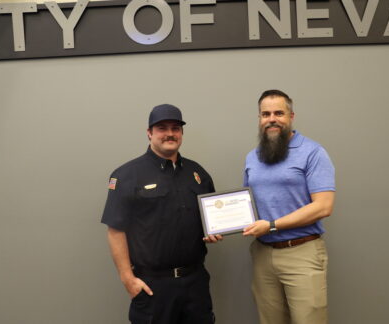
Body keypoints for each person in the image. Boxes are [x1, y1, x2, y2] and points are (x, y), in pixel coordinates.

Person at [101, 104, 221, 324]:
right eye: (162, 128)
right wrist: (128, 279)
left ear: (182, 133)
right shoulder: (126, 175)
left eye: (176, 128)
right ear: (149, 133)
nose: (169, 134)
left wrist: (213, 231)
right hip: (153, 286)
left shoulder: (197, 173)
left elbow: (209, 219)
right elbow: (115, 230)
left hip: (195, 282)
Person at [243, 90, 335, 324]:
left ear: (291, 116)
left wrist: (272, 225)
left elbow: (323, 207)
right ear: (259, 119)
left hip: (302, 253)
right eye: (265, 114)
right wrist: (218, 228)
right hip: (263, 254)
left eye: (278, 113)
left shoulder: (313, 152)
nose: (271, 119)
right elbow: (247, 205)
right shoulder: (253, 157)